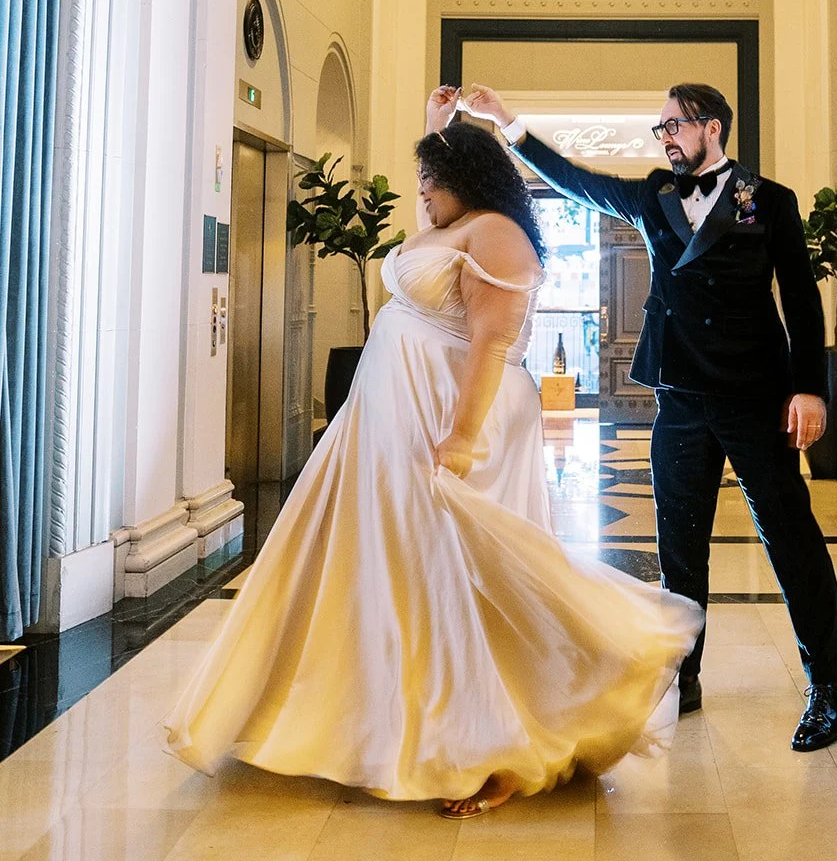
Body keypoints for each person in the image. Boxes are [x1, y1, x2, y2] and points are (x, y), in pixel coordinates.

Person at [164, 106, 702, 818]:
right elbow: (425, 270)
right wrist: (430, 127)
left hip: (448, 421)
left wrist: (460, 437)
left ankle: (497, 747)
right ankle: (367, 719)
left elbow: (488, 342)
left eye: (429, 180)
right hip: (389, 426)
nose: (420, 193)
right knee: (393, 572)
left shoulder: (499, 234)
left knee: (462, 576)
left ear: (464, 178)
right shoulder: (450, 229)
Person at [461, 80, 837, 751]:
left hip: (756, 396)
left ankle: (829, 685)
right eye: (661, 128)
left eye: (675, 125)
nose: (666, 136)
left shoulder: (769, 201)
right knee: (680, 552)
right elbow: (574, 178)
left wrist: (809, 389)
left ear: (714, 128)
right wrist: (508, 124)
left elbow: (802, 298)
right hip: (679, 398)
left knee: (791, 542)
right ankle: (686, 678)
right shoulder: (652, 197)